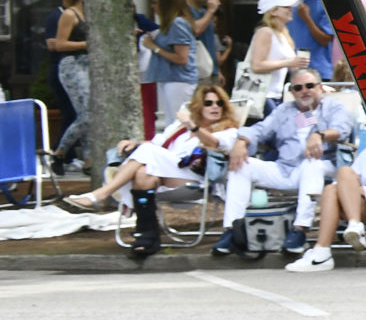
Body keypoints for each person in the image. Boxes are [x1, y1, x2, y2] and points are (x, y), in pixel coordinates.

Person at [61, 80, 242, 258]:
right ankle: (147, 237)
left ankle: (102, 194)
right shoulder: (179, 128)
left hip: (196, 179)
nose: (214, 107)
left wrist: (192, 126)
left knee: (147, 153)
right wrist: (134, 143)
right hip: (165, 175)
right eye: (208, 103)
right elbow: (156, 143)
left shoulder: (228, 131)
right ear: (199, 106)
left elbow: (214, 143)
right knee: (142, 173)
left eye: (219, 103)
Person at [215, 67, 361, 255]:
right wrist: (241, 142)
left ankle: (300, 229)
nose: (304, 91)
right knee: (242, 164)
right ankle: (231, 230)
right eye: (298, 88)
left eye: (309, 86)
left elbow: (342, 129)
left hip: (322, 166)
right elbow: (260, 129)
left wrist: (320, 135)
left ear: (320, 87)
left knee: (312, 164)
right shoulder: (284, 110)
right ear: (292, 92)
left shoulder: (333, 107)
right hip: (286, 168)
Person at [288, 141, 366, 271]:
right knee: (335, 183)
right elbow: (348, 181)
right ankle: (353, 226)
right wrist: (358, 190)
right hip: (356, 204)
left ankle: (322, 253)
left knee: (334, 187)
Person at [44, 0, 87, 174]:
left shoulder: (91, 15)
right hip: (72, 65)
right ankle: (60, 152)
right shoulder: (70, 14)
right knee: (87, 115)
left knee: (90, 115)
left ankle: (89, 159)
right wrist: (88, 43)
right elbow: (59, 44)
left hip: (90, 66)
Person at [140, 0, 199, 131]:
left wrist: (154, 47)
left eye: (156, 2)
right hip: (169, 78)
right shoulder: (170, 24)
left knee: (178, 123)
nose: (152, 6)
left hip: (178, 79)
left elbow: (182, 58)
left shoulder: (177, 23)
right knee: (171, 122)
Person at [241, 0, 309, 114]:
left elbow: (295, 69)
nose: (290, 9)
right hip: (263, 96)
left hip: (277, 96)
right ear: (273, 11)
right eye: (286, 7)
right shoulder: (265, 32)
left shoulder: (284, 35)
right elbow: (257, 65)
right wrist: (289, 63)